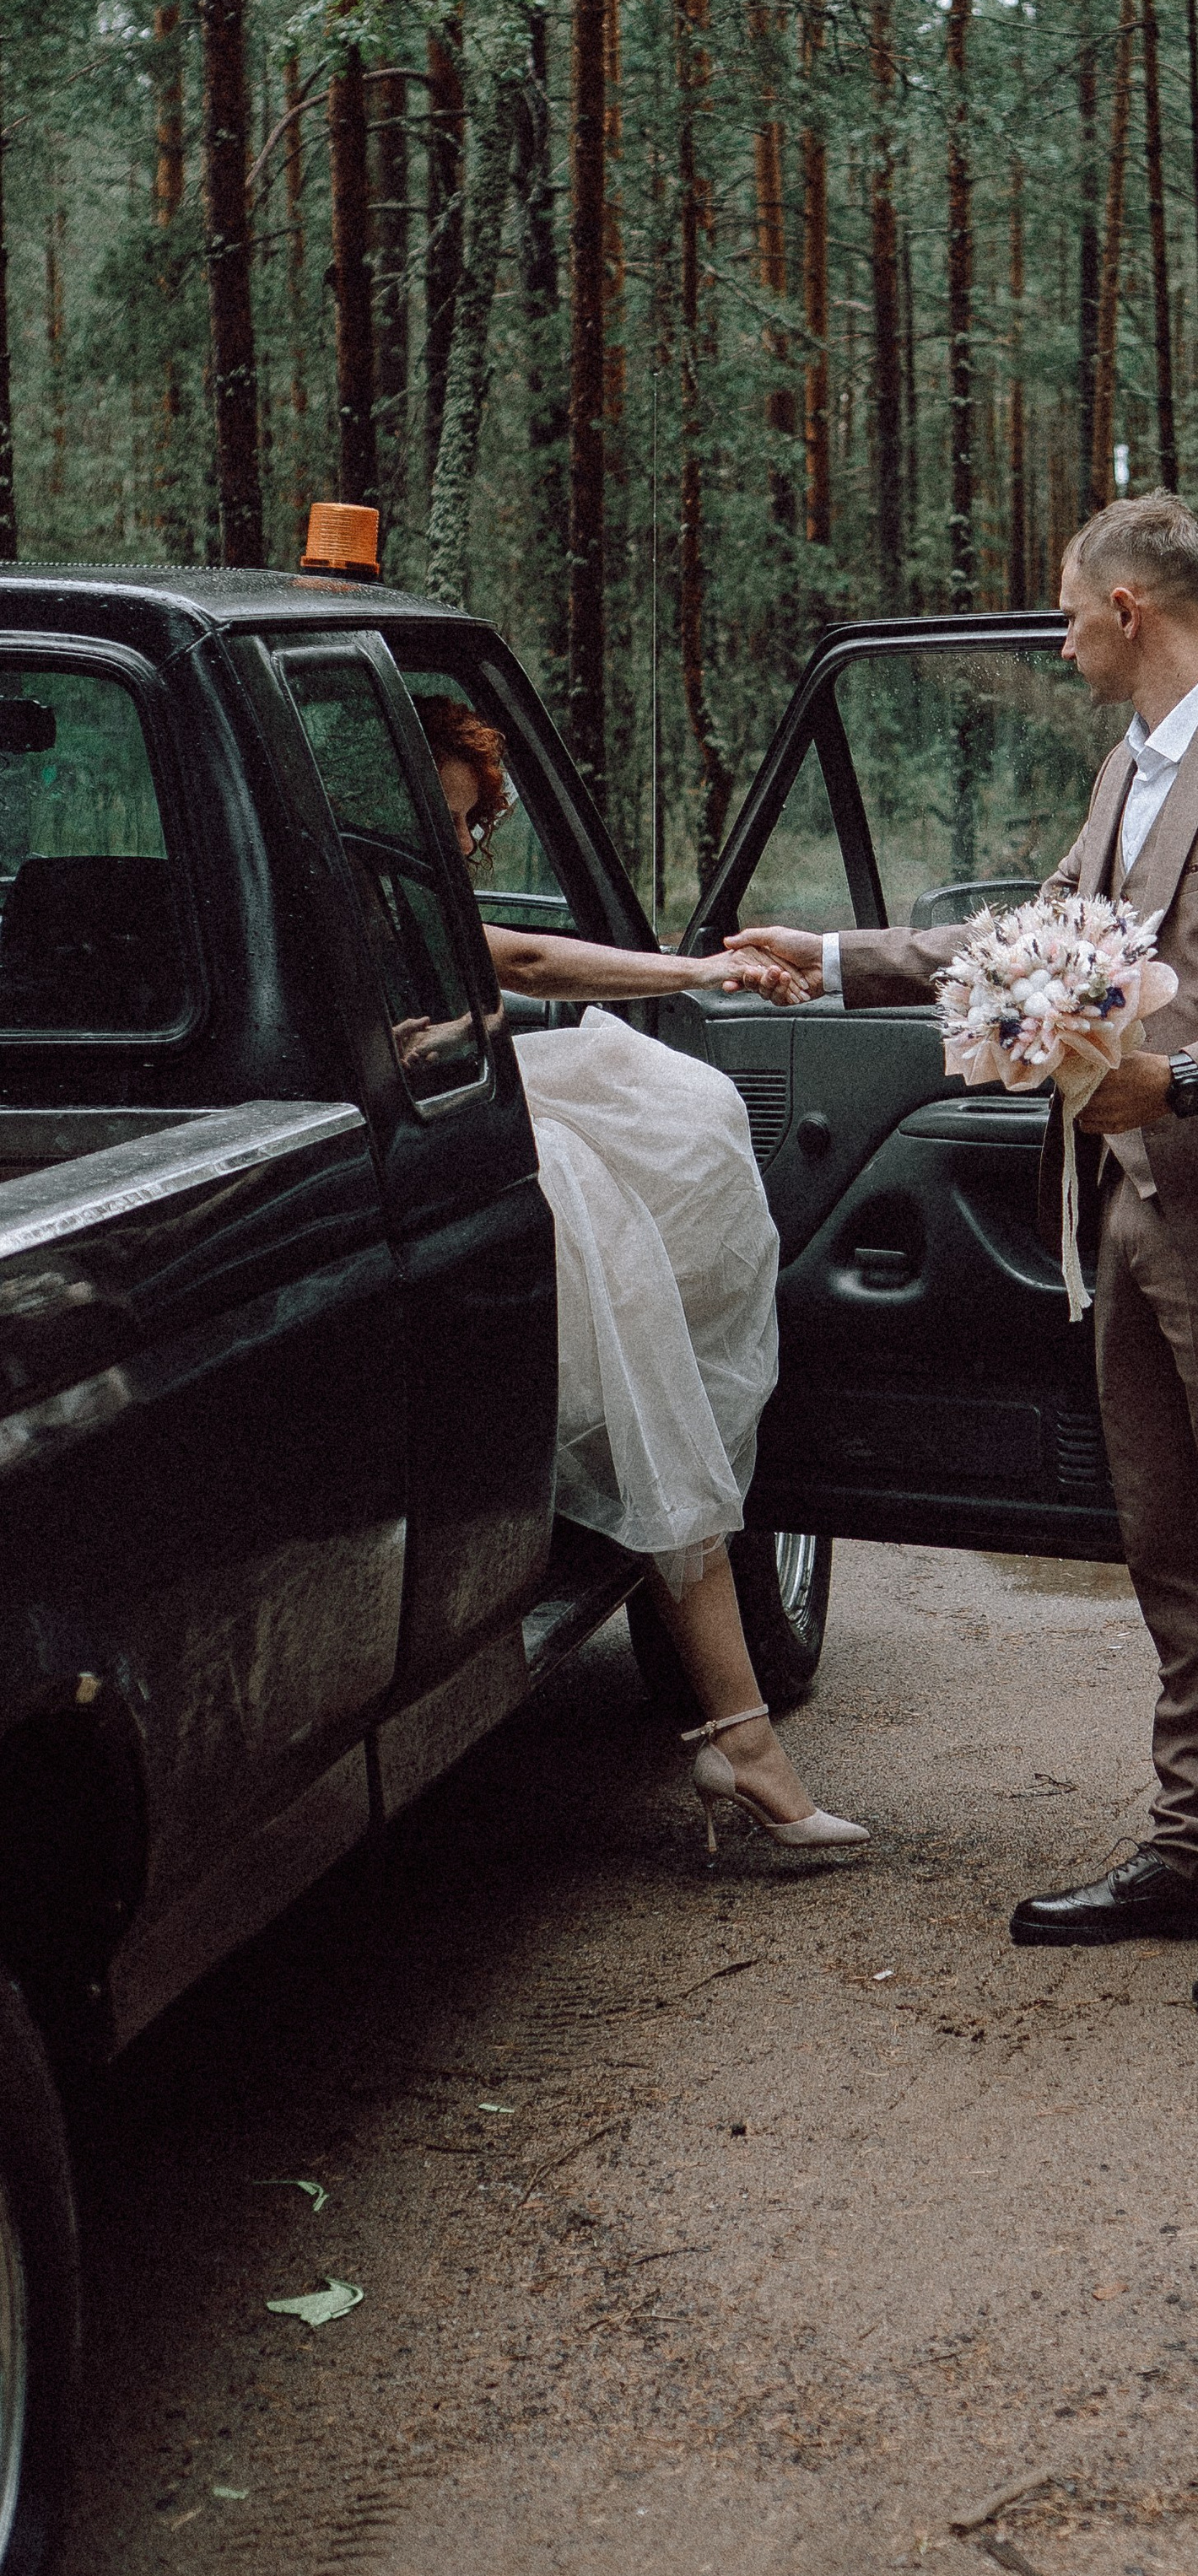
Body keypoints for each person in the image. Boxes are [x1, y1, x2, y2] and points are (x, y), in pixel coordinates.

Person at [738, 494, 1198, 2010]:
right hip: (1123, 1218)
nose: (1054, 637)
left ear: (1126, 611)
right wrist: (828, 959)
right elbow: (1027, 941)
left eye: (1063, 609)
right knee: (1167, 1548)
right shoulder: (1129, 769)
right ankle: (1193, 1850)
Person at [414, 694, 866, 1859]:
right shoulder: (370, 889)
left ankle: (744, 1737)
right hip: (457, 1138)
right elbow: (526, 955)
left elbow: (510, 970)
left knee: (688, 1127)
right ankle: (743, 1741)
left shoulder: (361, 887)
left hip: (465, 1112)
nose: (467, 847)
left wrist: (689, 972)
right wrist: (692, 971)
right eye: (455, 822)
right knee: (651, 1369)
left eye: (473, 827)